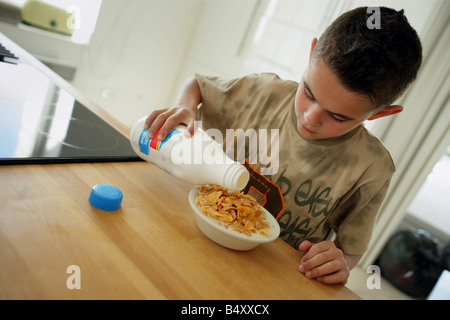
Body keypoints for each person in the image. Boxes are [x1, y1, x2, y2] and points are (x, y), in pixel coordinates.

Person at [143, 7, 422, 284]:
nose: (310, 118)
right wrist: (185, 106)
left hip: (269, 278)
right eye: (309, 93)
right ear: (311, 52)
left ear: (379, 114)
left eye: (338, 117)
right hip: (196, 239)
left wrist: (338, 263)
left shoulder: (371, 168)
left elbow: (348, 252)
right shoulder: (262, 92)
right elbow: (197, 84)